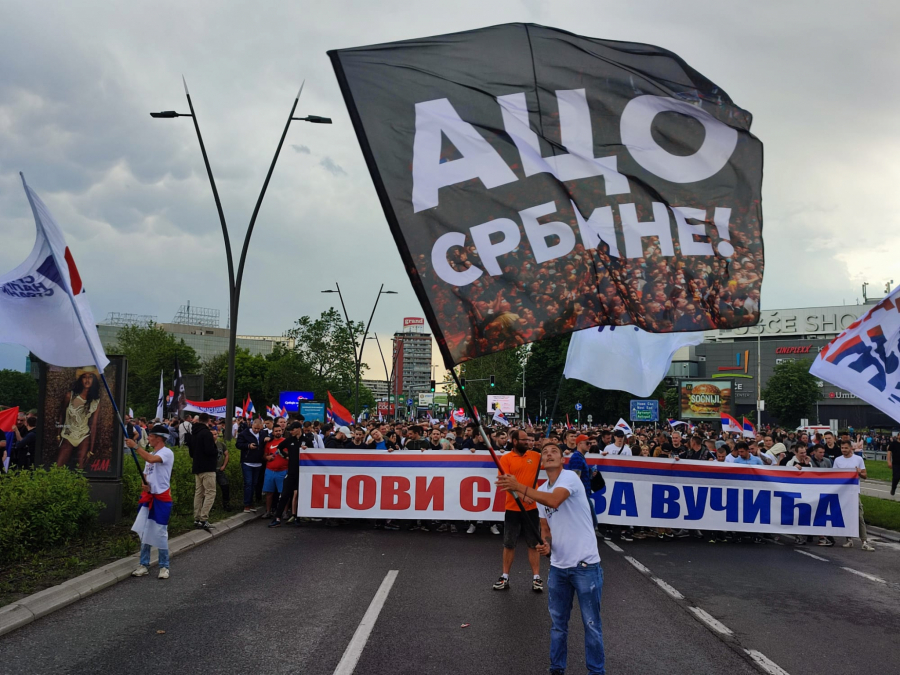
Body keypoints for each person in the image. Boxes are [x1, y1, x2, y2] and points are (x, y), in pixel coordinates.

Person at [497, 442, 605, 675]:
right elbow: (546, 529)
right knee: (558, 627)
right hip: (558, 568)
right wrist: (547, 545)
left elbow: (555, 500)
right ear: (541, 462)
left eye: (554, 451)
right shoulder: (542, 489)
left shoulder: (570, 478)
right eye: (545, 453)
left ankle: (596, 672)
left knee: (591, 626)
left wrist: (519, 487)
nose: (549, 454)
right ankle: (556, 669)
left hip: (585, 565)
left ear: (562, 459)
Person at [492, 429, 543, 592]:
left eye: (529, 439)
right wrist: (522, 495)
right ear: (514, 441)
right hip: (513, 508)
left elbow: (553, 463)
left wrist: (549, 446)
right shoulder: (506, 458)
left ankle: (536, 577)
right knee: (509, 543)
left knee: (534, 544)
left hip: (532, 509)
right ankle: (505, 576)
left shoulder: (536, 456)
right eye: (524, 440)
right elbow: (505, 482)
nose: (528, 442)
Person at [129, 425, 175, 579]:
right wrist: (145, 485)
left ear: (159, 438)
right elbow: (146, 474)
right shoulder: (150, 454)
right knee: (145, 530)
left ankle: (164, 566)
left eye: (151, 436)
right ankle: (144, 564)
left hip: (161, 499)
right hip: (148, 497)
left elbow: (151, 459)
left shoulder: (166, 453)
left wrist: (135, 446)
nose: (148, 438)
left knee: (160, 531)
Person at [55, 367, 101, 469]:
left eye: (90, 377)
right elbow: (61, 414)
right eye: (84, 377)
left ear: (94, 380)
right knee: (58, 467)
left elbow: (93, 425)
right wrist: (58, 434)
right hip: (68, 434)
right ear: (81, 379)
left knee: (81, 469)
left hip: (84, 435)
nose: (87, 380)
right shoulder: (70, 396)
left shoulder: (96, 401)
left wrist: (91, 450)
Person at [834, 439, 875, 551]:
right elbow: (834, 476)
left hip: (854, 492)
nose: (844, 450)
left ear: (851, 448)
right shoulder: (838, 460)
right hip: (842, 492)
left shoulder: (858, 459)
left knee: (859, 516)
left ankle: (864, 541)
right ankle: (849, 539)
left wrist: (859, 473)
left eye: (846, 448)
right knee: (846, 516)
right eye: (842, 448)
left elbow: (865, 475)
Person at [269, 422, 306, 527]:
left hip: (303, 474)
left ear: (299, 429)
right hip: (291, 473)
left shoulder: (307, 440)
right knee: (284, 495)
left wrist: (307, 449)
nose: (290, 431)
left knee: (300, 496)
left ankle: (298, 517)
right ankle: (277, 518)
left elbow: (314, 454)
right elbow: (279, 449)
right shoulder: (289, 440)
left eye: (293, 429)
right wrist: (285, 457)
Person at [189, 413, 218, 530]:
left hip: (197, 466)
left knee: (199, 493)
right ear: (208, 420)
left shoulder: (193, 433)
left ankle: (196, 518)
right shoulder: (206, 433)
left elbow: (191, 452)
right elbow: (209, 450)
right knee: (210, 492)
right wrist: (215, 447)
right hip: (208, 467)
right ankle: (203, 518)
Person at [237, 419, 267, 512]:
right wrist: (248, 446)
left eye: (259, 429)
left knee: (254, 484)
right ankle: (247, 504)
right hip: (247, 462)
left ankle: (251, 503)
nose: (257, 430)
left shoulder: (263, 434)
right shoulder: (244, 434)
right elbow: (238, 444)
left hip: (258, 462)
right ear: (252, 425)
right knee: (248, 483)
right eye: (255, 428)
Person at [262, 426, 288, 519]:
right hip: (270, 471)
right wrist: (267, 458)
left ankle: (284, 512)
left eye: (279, 431)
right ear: (272, 432)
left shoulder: (286, 442)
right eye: (276, 431)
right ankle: (268, 511)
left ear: (282, 431)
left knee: (284, 493)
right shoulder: (269, 443)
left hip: (283, 471)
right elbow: (264, 455)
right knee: (269, 493)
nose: (278, 432)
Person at [212, 427, 231, 510]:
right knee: (210, 490)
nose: (214, 436)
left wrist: (224, 465)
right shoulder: (207, 444)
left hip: (219, 469)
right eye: (212, 434)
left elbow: (226, 454)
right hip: (210, 470)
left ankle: (226, 504)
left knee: (225, 485)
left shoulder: (221, 444)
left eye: (215, 434)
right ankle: (210, 506)